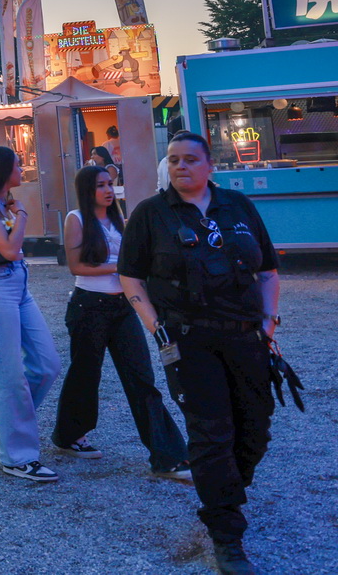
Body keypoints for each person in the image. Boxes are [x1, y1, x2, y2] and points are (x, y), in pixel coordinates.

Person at [118, 132, 281, 575]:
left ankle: (225, 490)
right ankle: (226, 534)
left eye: (190, 159)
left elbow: (268, 269)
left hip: (246, 336)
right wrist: (154, 325)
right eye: (173, 160)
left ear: (210, 166)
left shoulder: (238, 206)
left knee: (255, 427)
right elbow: (130, 275)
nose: (180, 167)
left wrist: (269, 322)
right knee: (211, 435)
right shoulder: (151, 213)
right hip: (189, 341)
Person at [52, 165, 189, 479]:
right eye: (100, 185)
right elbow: (77, 266)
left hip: (123, 307)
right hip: (89, 306)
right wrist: (121, 267)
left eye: (109, 184)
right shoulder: (76, 218)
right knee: (85, 375)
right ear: (87, 190)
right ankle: (68, 435)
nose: (107, 190)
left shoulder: (119, 220)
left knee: (141, 378)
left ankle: (168, 456)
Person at [0, 144, 61, 482]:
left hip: (17, 285)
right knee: (11, 375)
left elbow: (13, 250)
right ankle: (18, 456)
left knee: (47, 364)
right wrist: (22, 214)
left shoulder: (0, 203)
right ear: (3, 170)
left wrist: (15, 213)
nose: (22, 169)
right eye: (18, 165)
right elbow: (9, 249)